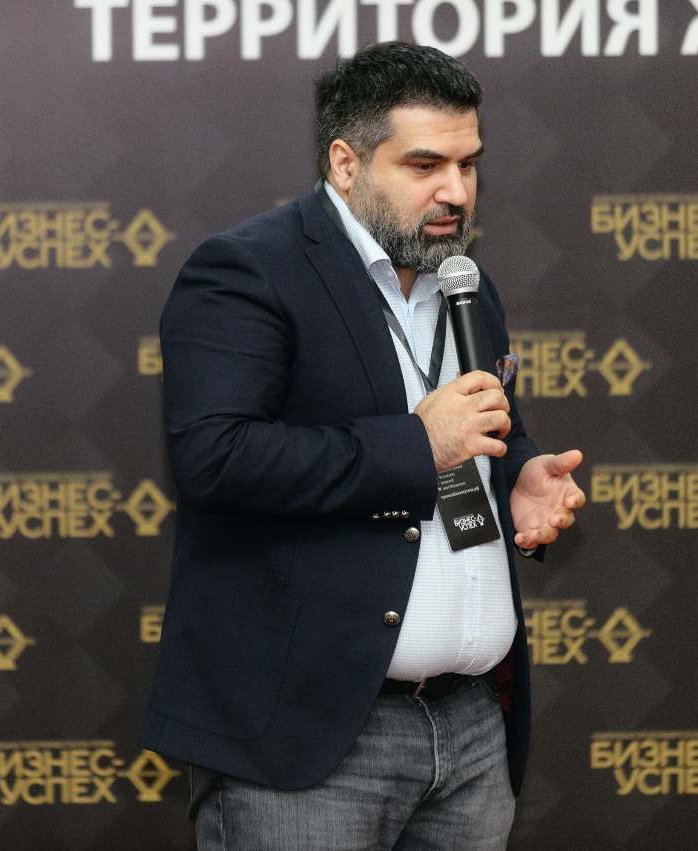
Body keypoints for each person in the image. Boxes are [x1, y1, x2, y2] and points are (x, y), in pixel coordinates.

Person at [139, 41, 585, 851]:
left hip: (472, 729)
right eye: (425, 165)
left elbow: (488, 427)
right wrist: (417, 443)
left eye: (468, 163)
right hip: (311, 736)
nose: (457, 191)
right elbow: (216, 458)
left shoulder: (464, 281)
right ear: (345, 163)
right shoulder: (248, 271)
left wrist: (518, 473)